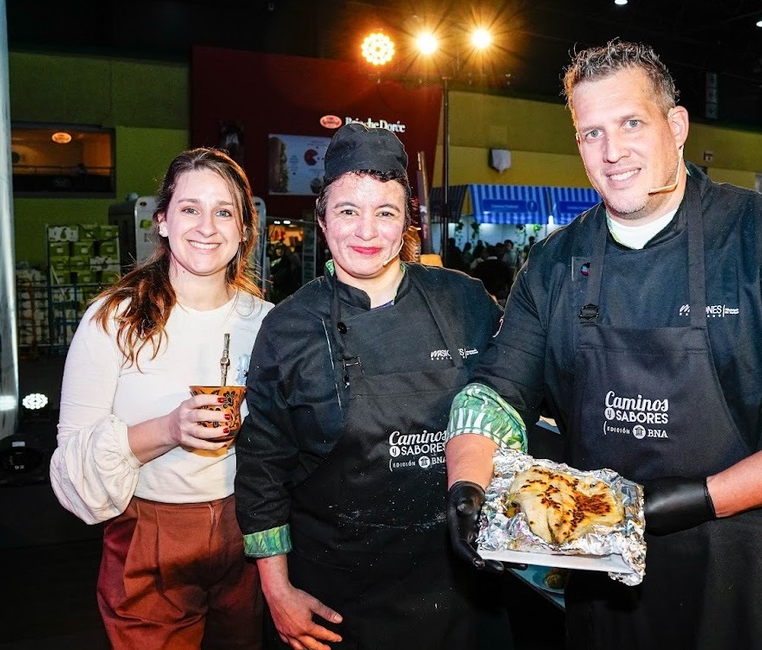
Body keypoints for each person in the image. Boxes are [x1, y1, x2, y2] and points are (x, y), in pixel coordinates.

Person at [443, 40, 762, 650]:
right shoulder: (555, 264)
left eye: (631, 123)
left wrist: (701, 498)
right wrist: (466, 486)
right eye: (591, 134)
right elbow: (495, 391)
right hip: (608, 583)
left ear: (677, 124)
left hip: (760, 580)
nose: (612, 153)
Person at [234, 123, 503, 650]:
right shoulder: (288, 328)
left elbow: (512, 396)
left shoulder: (464, 303)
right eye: (348, 211)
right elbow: (262, 469)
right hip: (337, 595)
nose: (366, 232)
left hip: (458, 582)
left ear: (407, 221)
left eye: (385, 212)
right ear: (321, 219)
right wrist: (277, 591)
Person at [50, 148, 270, 649]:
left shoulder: (268, 323)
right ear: (164, 221)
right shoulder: (114, 319)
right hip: (150, 535)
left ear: (243, 230)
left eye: (224, 211)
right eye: (191, 209)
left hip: (248, 534)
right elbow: (70, 467)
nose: (207, 227)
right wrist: (169, 429)